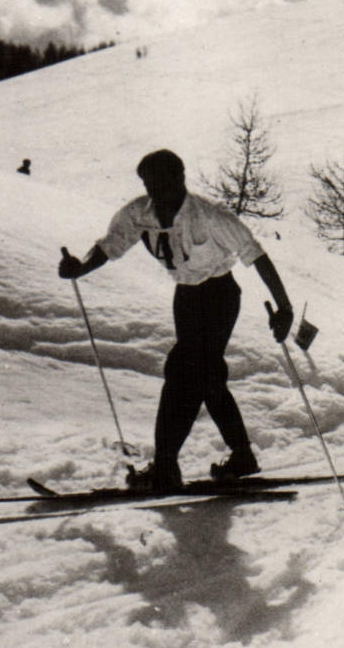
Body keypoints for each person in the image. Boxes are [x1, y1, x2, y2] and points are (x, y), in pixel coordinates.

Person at [58, 149, 294, 492]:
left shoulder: (209, 216)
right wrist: (80, 267)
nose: (158, 196)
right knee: (207, 377)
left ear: (180, 180)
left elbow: (257, 256)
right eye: (150, 186)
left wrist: (285, 308)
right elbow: (109, 247)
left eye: (164, 186)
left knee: (182, 368)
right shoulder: (140, 213)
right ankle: (242, 456)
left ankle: (166, 466)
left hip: (219, 295)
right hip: (185, 297)